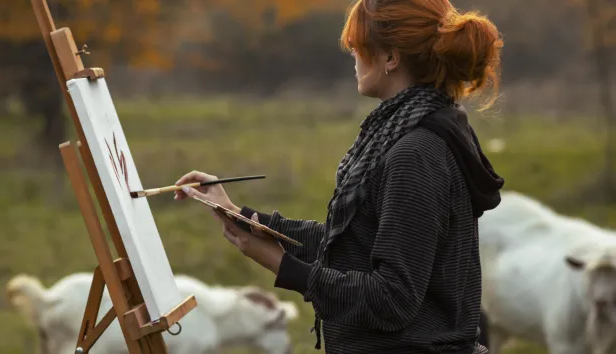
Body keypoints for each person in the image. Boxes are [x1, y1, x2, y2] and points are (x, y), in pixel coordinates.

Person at [175, 0, 505, 352]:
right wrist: (242, 217)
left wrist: (278, 262)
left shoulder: (417, 152)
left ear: (391, 57)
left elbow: (391, 300)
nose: (352, 54)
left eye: (358, 46)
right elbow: (353, 245)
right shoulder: (400, 131)